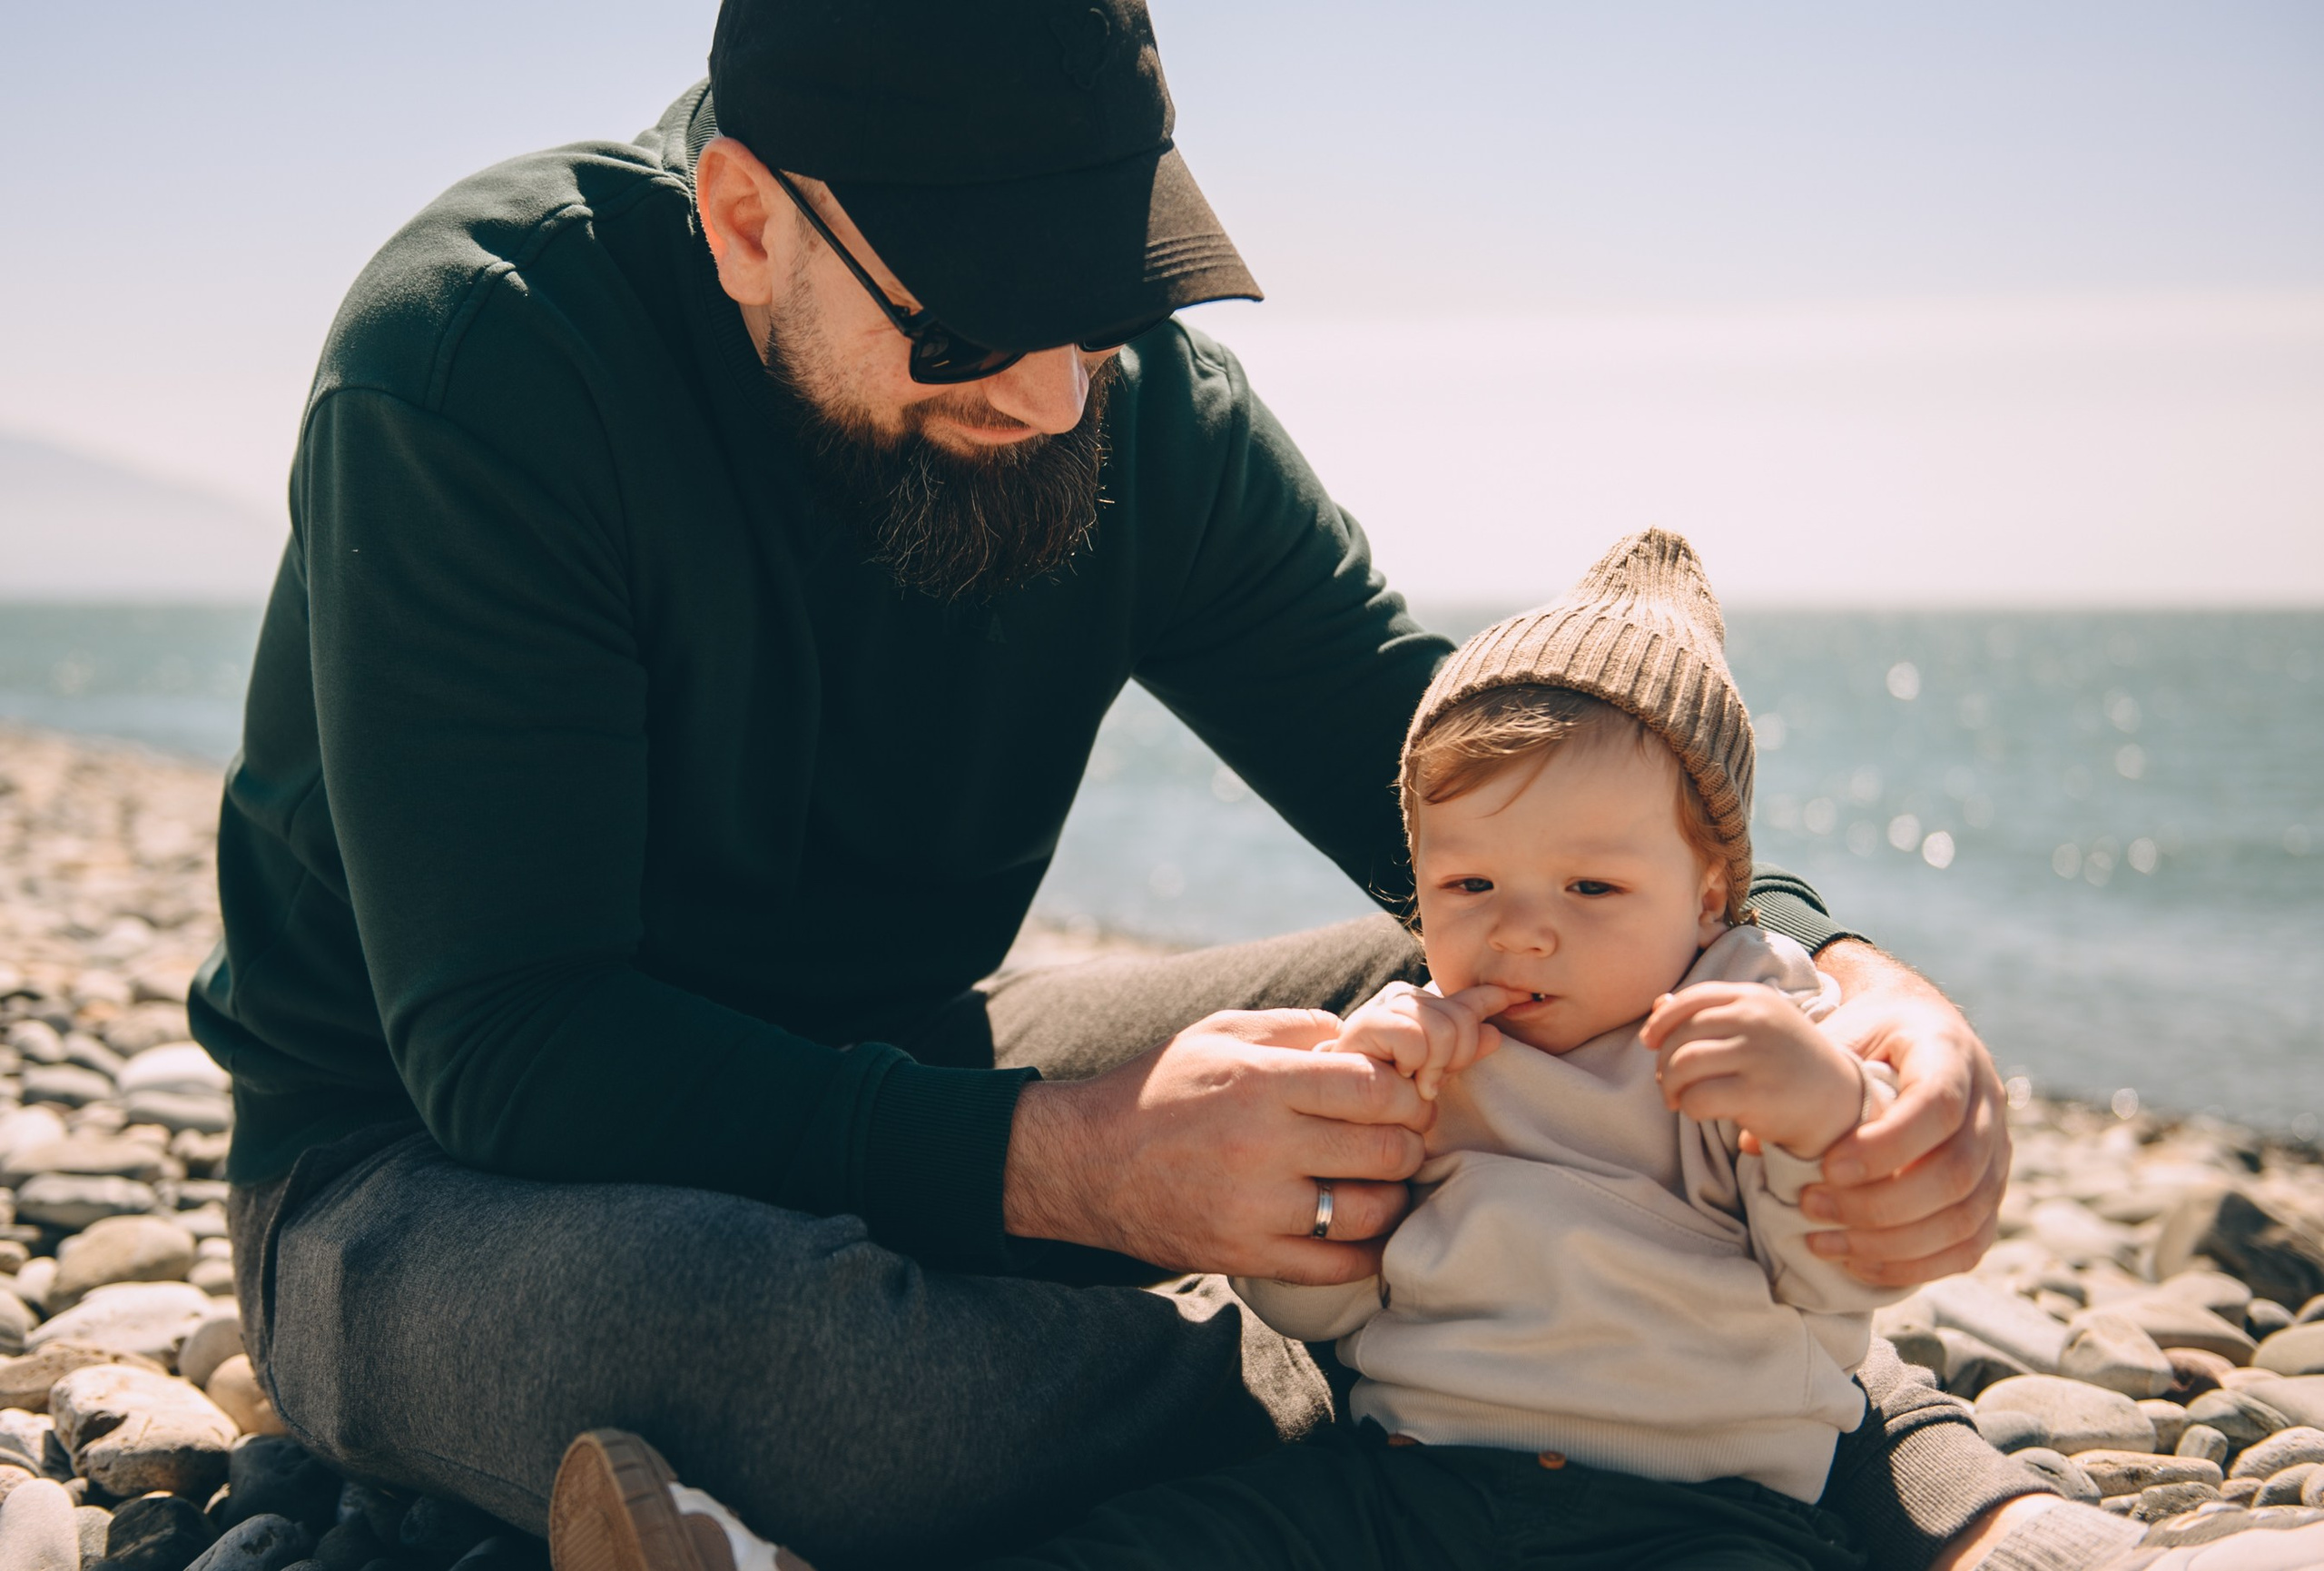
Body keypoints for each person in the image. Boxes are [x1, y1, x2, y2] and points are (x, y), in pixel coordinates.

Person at [191, 2, 2076, 1567]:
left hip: (920, 1049)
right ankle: (1569, 1439)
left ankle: (1758, 1425)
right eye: (972, 325)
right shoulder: (483, 361)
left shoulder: (1128, 406)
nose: (1052, 399)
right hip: (422, 1178)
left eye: (1098, 306)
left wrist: (1841, 982)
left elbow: (1469, 770)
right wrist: (1088, 1170)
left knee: (1498, 960)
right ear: (746, 218)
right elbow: (517, 1049)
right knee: (813, 1377)